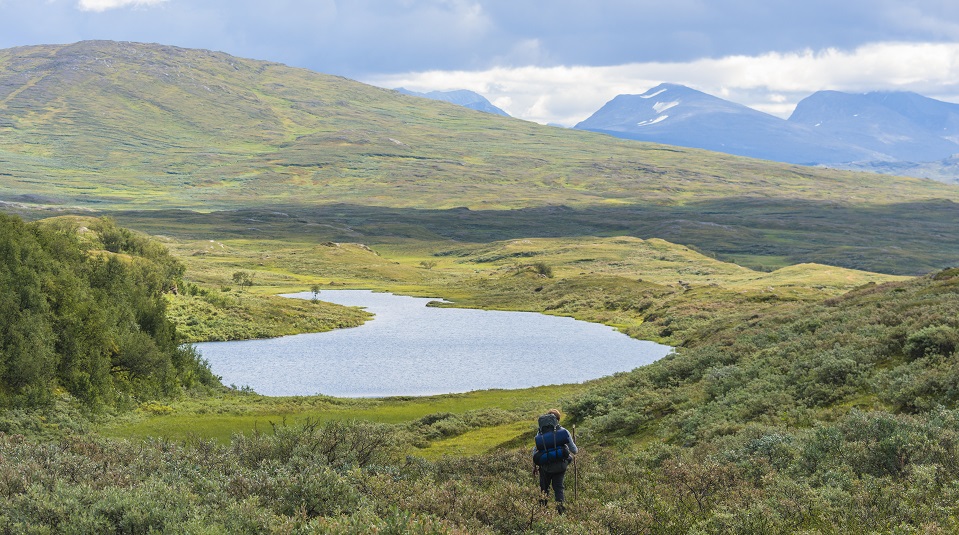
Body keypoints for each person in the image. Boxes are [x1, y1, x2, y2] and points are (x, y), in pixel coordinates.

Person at [532, 408, 578, 514]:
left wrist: (534, 467)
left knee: (544, 490)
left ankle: (542, 513)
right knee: (559, 489)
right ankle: (561, 513)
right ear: (558, 419)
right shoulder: (564, 432)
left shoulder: (540, 434)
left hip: (545, 467)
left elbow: (535, 452)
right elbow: (574, 450)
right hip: (560, 466)